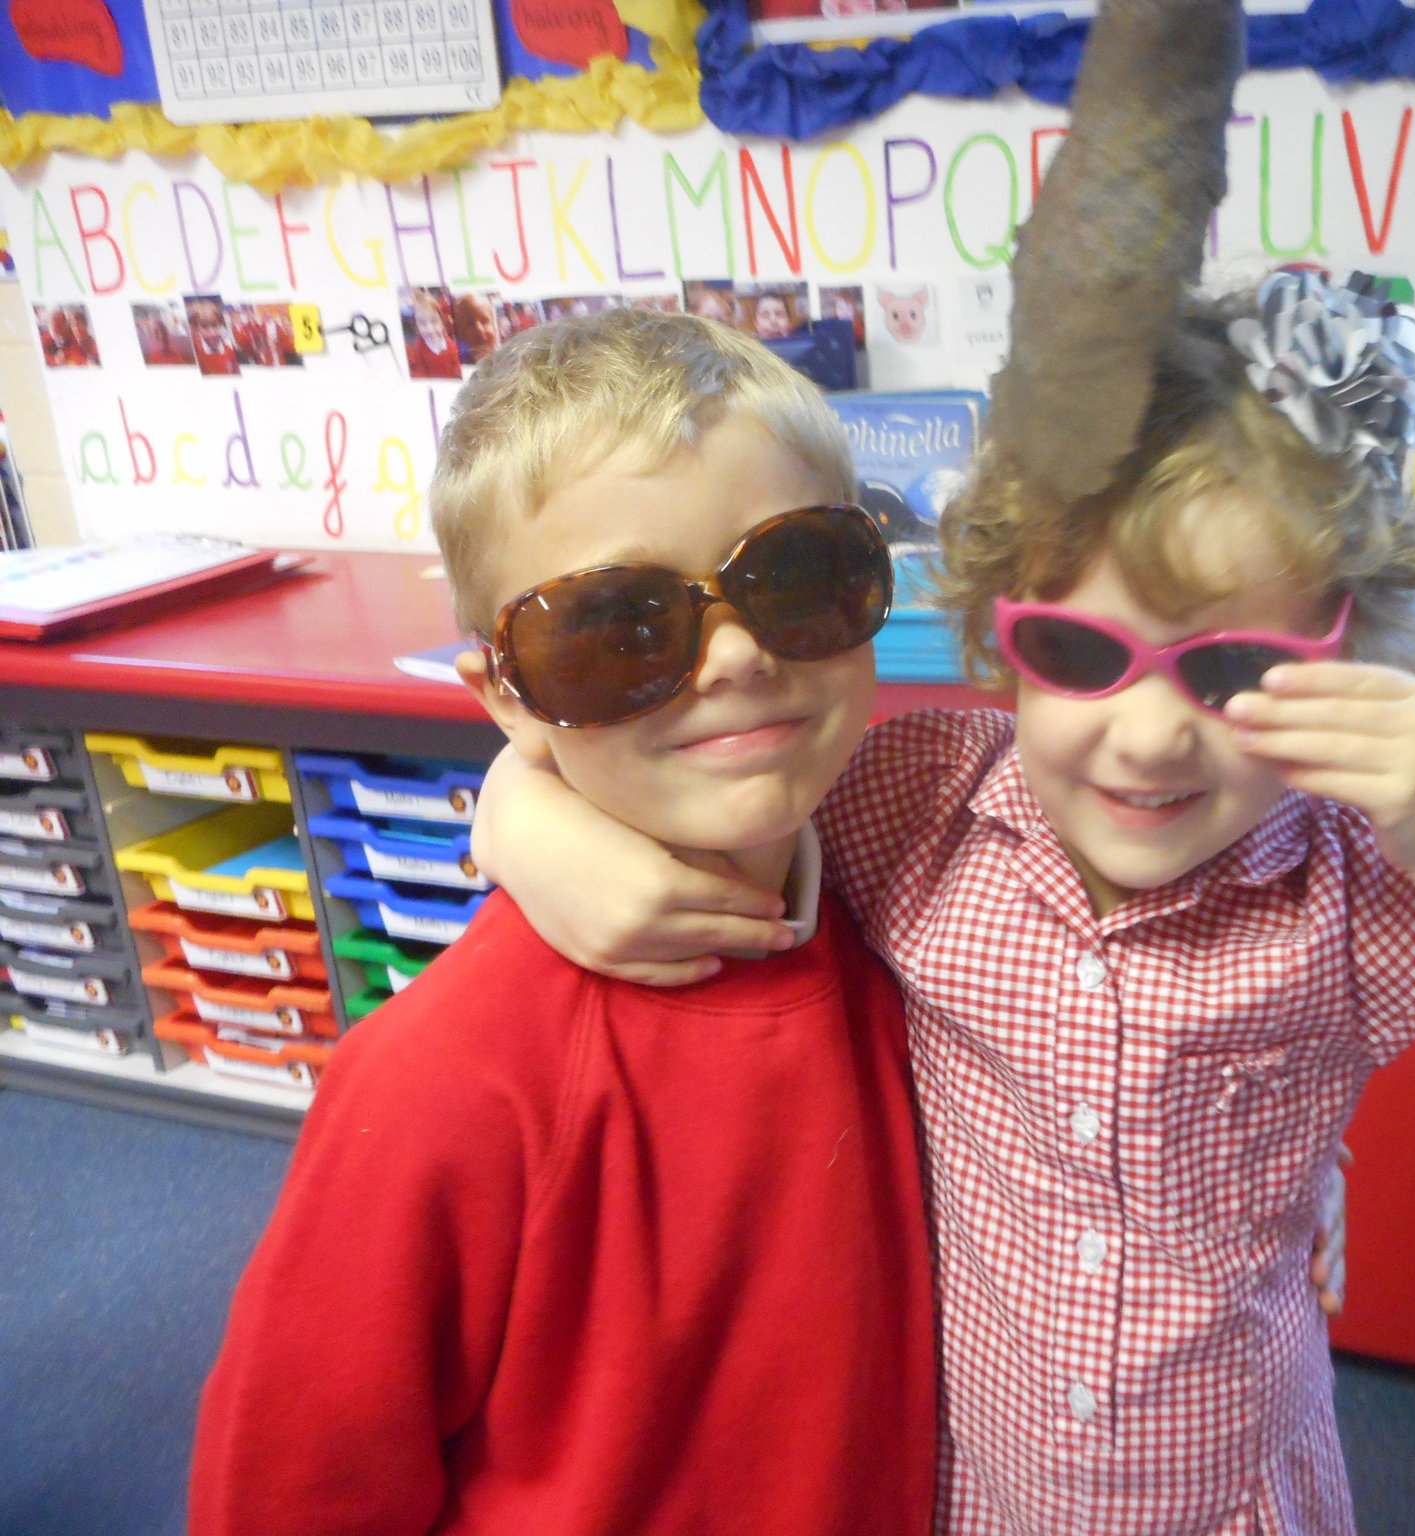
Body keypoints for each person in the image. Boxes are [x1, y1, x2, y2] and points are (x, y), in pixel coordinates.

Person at [471, 284, 1415, 1532]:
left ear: (1345, 657)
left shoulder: (1340, 893)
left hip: (1231, 1504)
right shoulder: (914, 800)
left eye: (1239, 668)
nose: (1150, 738)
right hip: (976, 1492)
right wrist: (515, 819)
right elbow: (672, 762)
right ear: (1003, 636)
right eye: (1083, 655)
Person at [188, 309, 937, 1536]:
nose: (738, 655)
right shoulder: (445, 1083)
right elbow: (288, 1488)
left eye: (796, 575)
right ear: (505, 693)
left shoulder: (913, 895)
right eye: (617, 629)